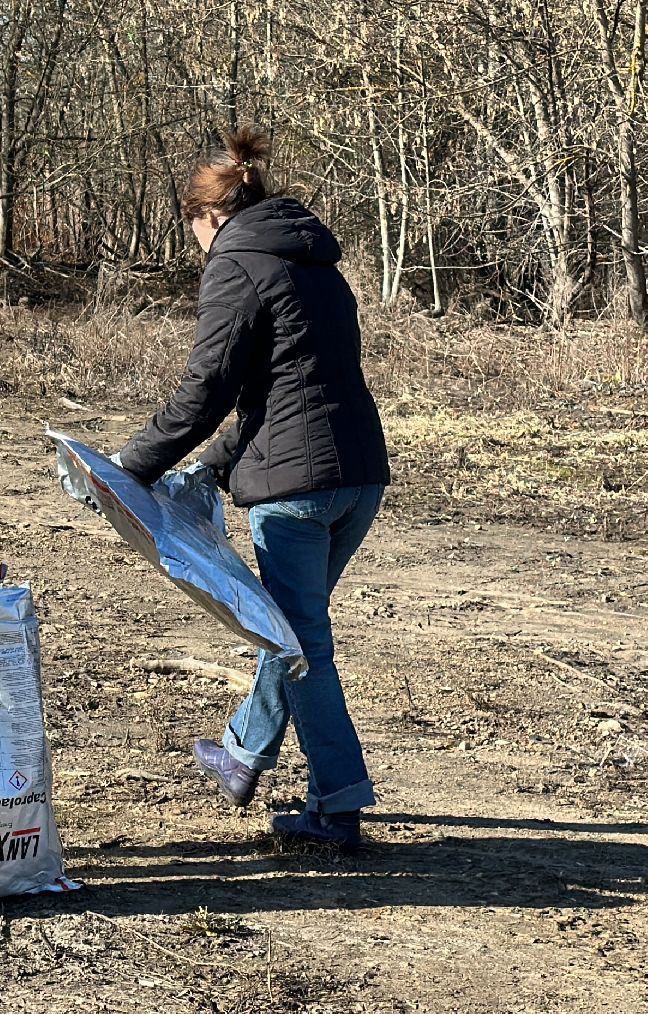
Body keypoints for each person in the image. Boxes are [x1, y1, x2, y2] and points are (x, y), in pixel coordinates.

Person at [114, 129, 391, 850]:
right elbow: (285, 392)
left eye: (194, 234)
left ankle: (338, 804)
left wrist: (129, 468)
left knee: (301, 648)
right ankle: (243, 753)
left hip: (296, 490)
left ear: (206, 218)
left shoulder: (236, 263)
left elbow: (208, 388)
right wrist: (213, 463)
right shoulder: (316, 265)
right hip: (357, 478)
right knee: (291, 630)